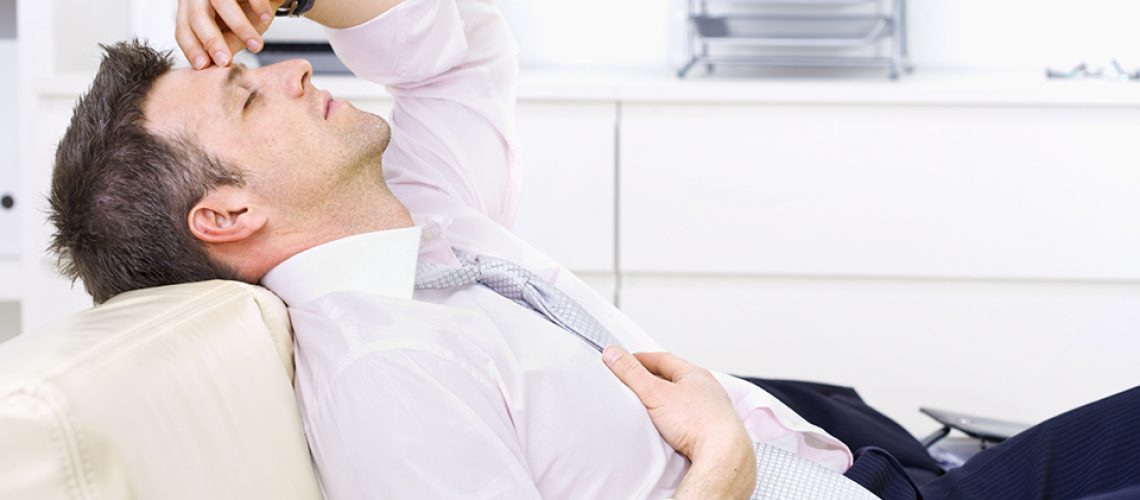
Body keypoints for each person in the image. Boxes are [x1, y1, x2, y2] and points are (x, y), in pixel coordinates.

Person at [45, 0, 1140, 498]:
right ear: (225, 216)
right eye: (249, 92)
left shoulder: (417, 228)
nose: (290, 68)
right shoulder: (385, 373)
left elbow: (457, 57)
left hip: (891, 471)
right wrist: (721, 468)